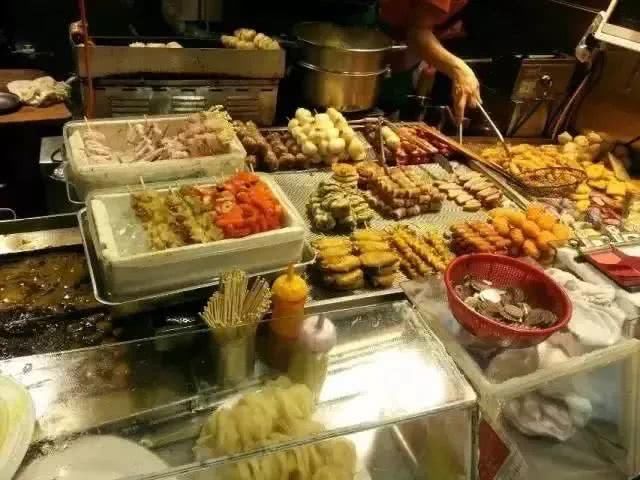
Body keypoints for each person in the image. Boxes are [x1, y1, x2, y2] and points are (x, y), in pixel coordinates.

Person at [379, 0, 481, 123]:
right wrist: (459, 71)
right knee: (380, 106)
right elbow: (417, 33)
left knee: (393, 103)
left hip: (403, 47)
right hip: (379, 42)